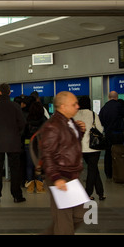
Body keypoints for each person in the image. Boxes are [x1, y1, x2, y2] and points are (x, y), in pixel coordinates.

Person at [39, 91, 86, 235]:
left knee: (80, 214)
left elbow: (68, 146)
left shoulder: (69, 122)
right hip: (60, 175)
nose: (77, 106)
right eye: (74, 104)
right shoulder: (53, 126)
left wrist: (80, 131)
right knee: (64, 222)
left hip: (72, 175)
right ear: (63, 106)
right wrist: (55, 177)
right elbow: (47, 154)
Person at [0, 83, 26, 203]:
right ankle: (17, 195)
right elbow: (22, 123)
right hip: (13, 142)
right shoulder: (15, 106)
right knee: (15, 169)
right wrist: (16, 133)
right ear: (9, 92)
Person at [74, 96, 105, 200]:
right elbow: (100, 129)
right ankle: (88, 193)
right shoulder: (93, 114)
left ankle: (101, 192)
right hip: (93, 147)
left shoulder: (75, 115)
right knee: (92, 169)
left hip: (80, 147)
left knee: (94, 169)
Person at [99, 91, 124, 179]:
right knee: (119, 153)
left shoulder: (104, 107)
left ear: (109, 97)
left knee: (108, 153)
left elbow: (100, 120)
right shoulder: (119, 105)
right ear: (117, 97)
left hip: (108, 134)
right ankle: (118, 172)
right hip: (118, 133)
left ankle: (108, 173)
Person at [23, 101, 47, 193]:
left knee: (29, 165)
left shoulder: (28, 119)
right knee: (39, 164)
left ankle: (30, 187)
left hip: (28, 142)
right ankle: (40, 187)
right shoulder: (44, 119)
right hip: (40, 144)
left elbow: (24, 132)